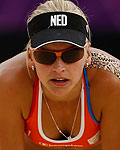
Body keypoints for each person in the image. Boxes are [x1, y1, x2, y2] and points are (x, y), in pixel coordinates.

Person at [0, 0, 120, 150]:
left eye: (71, 54)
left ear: (87, 54)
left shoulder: (113, 83)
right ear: (30, 56)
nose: (58, 68)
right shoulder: (8, 83)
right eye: (46, 56)